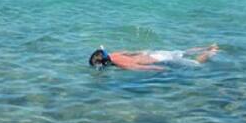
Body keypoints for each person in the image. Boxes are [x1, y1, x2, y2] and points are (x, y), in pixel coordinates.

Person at [89, 45, 219, 72]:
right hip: (154, 53)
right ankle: (209, 47)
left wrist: (160, 70)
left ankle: (212, 52)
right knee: (183, 52)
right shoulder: (114, 54)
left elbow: (140, 67)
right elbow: (130, 51)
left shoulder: (121, 64)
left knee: (196, 64)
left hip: (161, 60)